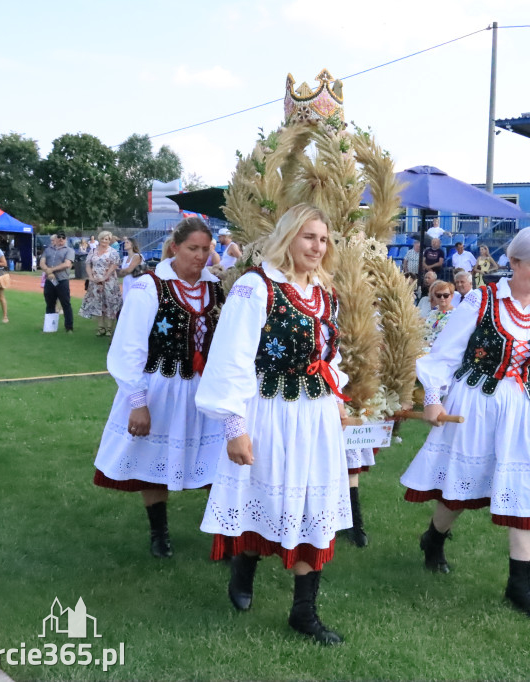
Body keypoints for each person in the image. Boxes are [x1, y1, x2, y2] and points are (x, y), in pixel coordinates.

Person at [196, 204, 351, 645]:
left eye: (323, 239)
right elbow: (231, 358)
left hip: (315, 413)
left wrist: (336, 395)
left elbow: (329, 354)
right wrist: (234, 426)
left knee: (311, 505)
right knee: (261, 491)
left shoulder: (325, 292)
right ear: (287, 238)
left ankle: (304, 611)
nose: (317, 247)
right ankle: (244, 568)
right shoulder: (255, 286)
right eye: (308, 237)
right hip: (269, 409)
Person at [400, 226, 530, 620]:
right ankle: (434, 538)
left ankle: (519, 585)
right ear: (513, 263)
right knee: (460, 488)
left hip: (525, 407)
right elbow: (445, 352)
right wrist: (432, 397)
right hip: (477, 400)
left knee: (528, 489)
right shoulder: (482, 298)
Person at [93, 217, 225, 558]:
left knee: (220, 461)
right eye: (192, 248)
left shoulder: (218, 288)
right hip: (161, 387)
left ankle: (225, 537)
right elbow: (129, 348)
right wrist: (137, 401)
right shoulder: (149, 286)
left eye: (205, 249)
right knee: (152, 462)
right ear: (175, 248)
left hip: (206, 391)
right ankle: (159, 533)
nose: (199, 256)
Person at [79, 231, 123, 337]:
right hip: (95, 282)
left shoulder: (113, 252)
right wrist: (90, 276)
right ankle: (100, 327)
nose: (105, 241)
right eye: (103, 238)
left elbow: (114, 266)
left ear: (110, 240)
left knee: (110, 304)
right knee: (97, 304)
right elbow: (88, 264)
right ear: (100, 239)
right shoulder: (93, 251)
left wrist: (104, 277)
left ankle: (109, 328)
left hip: (109, 283)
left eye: (107, 239)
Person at [39, 231, 76, 333]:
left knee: (65, 303)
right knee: (50, 303)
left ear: (66, 239)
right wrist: (48, 271)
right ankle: (49, 327)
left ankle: (69, 327)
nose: (61, 239)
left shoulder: (69, 250)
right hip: (50, 280)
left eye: (63, 238)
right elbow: (42, 262)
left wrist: (51, 270)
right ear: (55, 239)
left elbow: (67, 264)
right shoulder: (48, 250)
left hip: (62, 280)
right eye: (59, 237)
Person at [425, 280, 455, 348]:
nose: (442, 298)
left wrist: (431, 344)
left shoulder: (455, 315)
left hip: (441, 351)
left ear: (452, 296)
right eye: (438, 295)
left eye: (446, 295)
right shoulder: (431, 313)